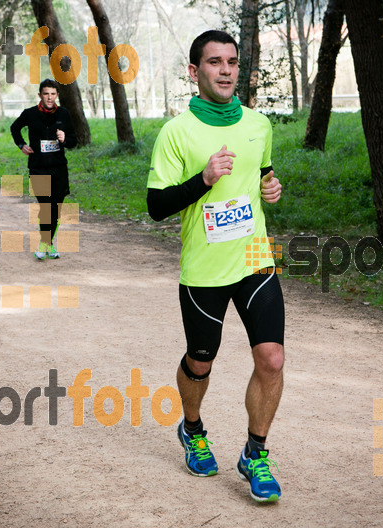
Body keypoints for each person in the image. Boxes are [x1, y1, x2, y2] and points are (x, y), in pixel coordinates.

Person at [146, 30, 285, 503]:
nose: (225, 70)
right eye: (214, 62)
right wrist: (203, 180)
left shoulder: (258, 124)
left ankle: (256, 453)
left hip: (254, 259)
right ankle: (192, 428)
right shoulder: (176, 133)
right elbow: (157, 206)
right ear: (195, 71)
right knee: (200, 362)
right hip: (204, 269)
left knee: (272, 358)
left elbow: (262, 172)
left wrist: (272, 188)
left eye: (231, 61)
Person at [10, 78, 78, 260]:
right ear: (40, 95)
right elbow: (14, 128)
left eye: (53, 94)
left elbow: (74, 140)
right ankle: (44, 243)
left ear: (57, 95)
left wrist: (65, 138)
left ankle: (48, 243)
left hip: (59, 168)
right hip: (38, 167)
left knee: (56, 207)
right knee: (45, 206)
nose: (49, 98)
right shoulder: (30, 114)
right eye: (46, 94)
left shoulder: (63, 114)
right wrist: (21, 145)